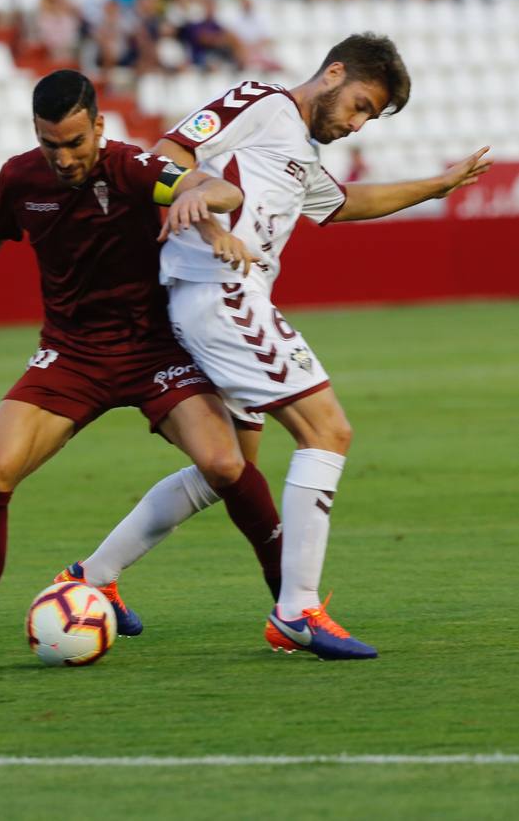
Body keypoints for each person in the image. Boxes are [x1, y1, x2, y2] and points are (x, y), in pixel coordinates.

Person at [67, 33, 492, 661]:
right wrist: (205, 219)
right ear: (334, 73)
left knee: (226, 470)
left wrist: (435, 186)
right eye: (361, 105)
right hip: (221, 291)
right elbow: (171, 152)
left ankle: (90, 577)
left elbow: (342, 203)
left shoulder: (300, 152)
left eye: (370, 118)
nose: (357, 124)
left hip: (223, 297)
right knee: (328, 430)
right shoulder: (261, 101)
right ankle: (297, 611)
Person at [0, 69, 285, 674]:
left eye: (74, 142)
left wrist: (202, 205)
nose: (64, 158)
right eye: (50, 144)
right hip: (70, 355)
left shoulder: (133, 169)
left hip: (154, 352)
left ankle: (291, 607)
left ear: (98, 125)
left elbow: (215, 188)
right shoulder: (20, 178)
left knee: (227, 465)